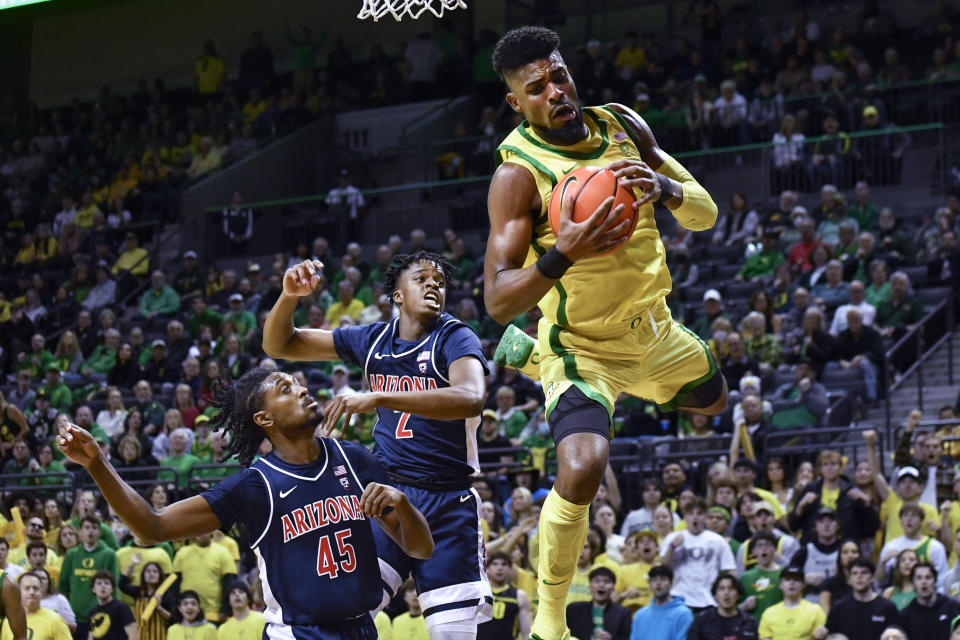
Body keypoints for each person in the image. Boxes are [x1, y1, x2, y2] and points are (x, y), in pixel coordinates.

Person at [485, 26, 726, 640]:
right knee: (584, 465)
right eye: (535, 89)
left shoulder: (623, 125)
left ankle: (531, 355)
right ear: (517, 102)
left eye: (558, 76)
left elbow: (706, 214)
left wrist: (667, 190)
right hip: (584, 348)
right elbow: (495, 297)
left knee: (713, 401)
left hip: (655, 331)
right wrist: (561, 253)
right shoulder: (518, 176)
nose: (554, 93)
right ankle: (549, 612)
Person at [55, 366, 433, 640]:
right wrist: (97, 463)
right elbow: (150, 527)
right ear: (264, 418)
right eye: (285, 388)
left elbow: (419, 547)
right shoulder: (256, 485)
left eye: (297, 382)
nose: (301, 388)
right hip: (298, 635)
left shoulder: (354, 459)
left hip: (362, 630)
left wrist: (402, 505)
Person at [263, 253, 490, 638]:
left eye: (440, 281)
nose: (434, 284)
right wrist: (288, 296)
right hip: (386, 495)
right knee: (343, 609)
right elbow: (280, 344)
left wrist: (380, 397)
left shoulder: (455, 336)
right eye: (421, 278)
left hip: (448, 501)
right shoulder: (372, 340)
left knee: (451, 633)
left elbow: (470, 397)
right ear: (397, 295)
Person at [659, 499, 735, 612]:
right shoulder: (672, 538)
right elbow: (662, 567)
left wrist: (724, 596)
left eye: (699, 513)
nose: (695, 517)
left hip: (709, 599)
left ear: (705, 517)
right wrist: (672, 546)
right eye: (690, 514)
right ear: (685, 518)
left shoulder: (717, 540)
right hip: (679, 597)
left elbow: (730, 571)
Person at [58, 515, 118, 640]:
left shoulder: (109, 554)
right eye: (87, 527)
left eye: (94, 528)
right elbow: (62, 587)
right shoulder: (71, 555)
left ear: (100, 532)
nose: (90, 531)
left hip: (100, 617)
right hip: (75, 617)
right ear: (80, 532)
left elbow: (114, 587)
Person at [825, 558, 898, 640]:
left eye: (864, 572)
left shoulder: (887, 607)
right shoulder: (838, 608)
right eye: (854, 573)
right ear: (849, 580)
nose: (859, 577)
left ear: (872, 578)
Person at [172, 532, 235, 624]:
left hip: (214, 613)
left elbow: (229, 583)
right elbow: (175, 583)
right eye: (199, 530)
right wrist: (176, 608)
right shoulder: (182, 552)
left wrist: (225, 610)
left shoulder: (223, 552)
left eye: (206, 530)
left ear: (212, 533)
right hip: (186, 612)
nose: (202, 533)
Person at [757, 566, 827, 640]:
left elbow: (821, 635)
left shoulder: (815, 611)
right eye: (787, 579)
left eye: (796, 580)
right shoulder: (769, 613)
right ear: (780, 585)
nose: (792, 583)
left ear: (803, 585)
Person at [629, 565, 693, 640]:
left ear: (671, 584)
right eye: (654, 580)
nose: (658, 583)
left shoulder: (683, 614)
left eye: (663, 579)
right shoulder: (640, 615)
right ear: (649, 584)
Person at [565, 566, 630, 640]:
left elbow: (627, 637)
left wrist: (612, 638)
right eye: (597, 581)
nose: (601, 585)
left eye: (607, 582)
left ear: (613, 587)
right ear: (590, 586)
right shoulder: (574, 609)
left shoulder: (623, 613)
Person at [687, 574, 759, 640]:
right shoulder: (701, 621)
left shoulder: (749, 622)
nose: (726, 593)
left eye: (731, 589)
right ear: (715, 595)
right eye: (721, 589)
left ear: (738, 595)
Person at [899, 562, 960, 639]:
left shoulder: (953, 608)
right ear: (913, 583)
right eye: (919, 578)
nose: (924, 582)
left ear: (935, 581)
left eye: (928, 577)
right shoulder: (906, 615)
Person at [478, 552, 531, 640]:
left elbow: (526, 632)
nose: (499, 568)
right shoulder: (479, 593)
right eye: (495, 564)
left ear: (510, 569)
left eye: (504, 564)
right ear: (487, 569)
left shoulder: (519, 596)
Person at [0, 572, 68, 640]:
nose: (32, 592)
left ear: (41, 592)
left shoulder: (55, 620)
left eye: (36, 588)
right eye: (27, 588)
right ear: (18, 591)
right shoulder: (7, 622)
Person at [739, 532, 784, 622]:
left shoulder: (783, 575)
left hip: (779, 625)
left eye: (768, 545)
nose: (763, 548)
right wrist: (745, 606)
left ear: (775, 549)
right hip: (752, 627)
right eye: (759, 545)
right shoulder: (745, 577)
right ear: (754, 551)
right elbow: (735, 609)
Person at [87, 570, 136, 640]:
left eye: (107, 583)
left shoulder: (121, 608)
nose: (103, 586)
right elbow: (90, 637)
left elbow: (133, 636)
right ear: (93, 589)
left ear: (112, 589)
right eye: (99, 583)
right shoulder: (92, 612)